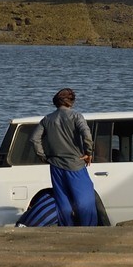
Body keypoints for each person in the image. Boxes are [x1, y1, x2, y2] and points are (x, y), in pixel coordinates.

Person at [31, 87, 98, 226]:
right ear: (71, 101)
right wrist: (88, 153)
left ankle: (66, 229)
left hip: (55, 165)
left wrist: (42, 156)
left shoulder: (47, 119)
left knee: (63, 201)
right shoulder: (76, 116)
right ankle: (89, 229)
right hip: (75, 164)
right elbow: (87, 135)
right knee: (85, 201)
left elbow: (34, 139)